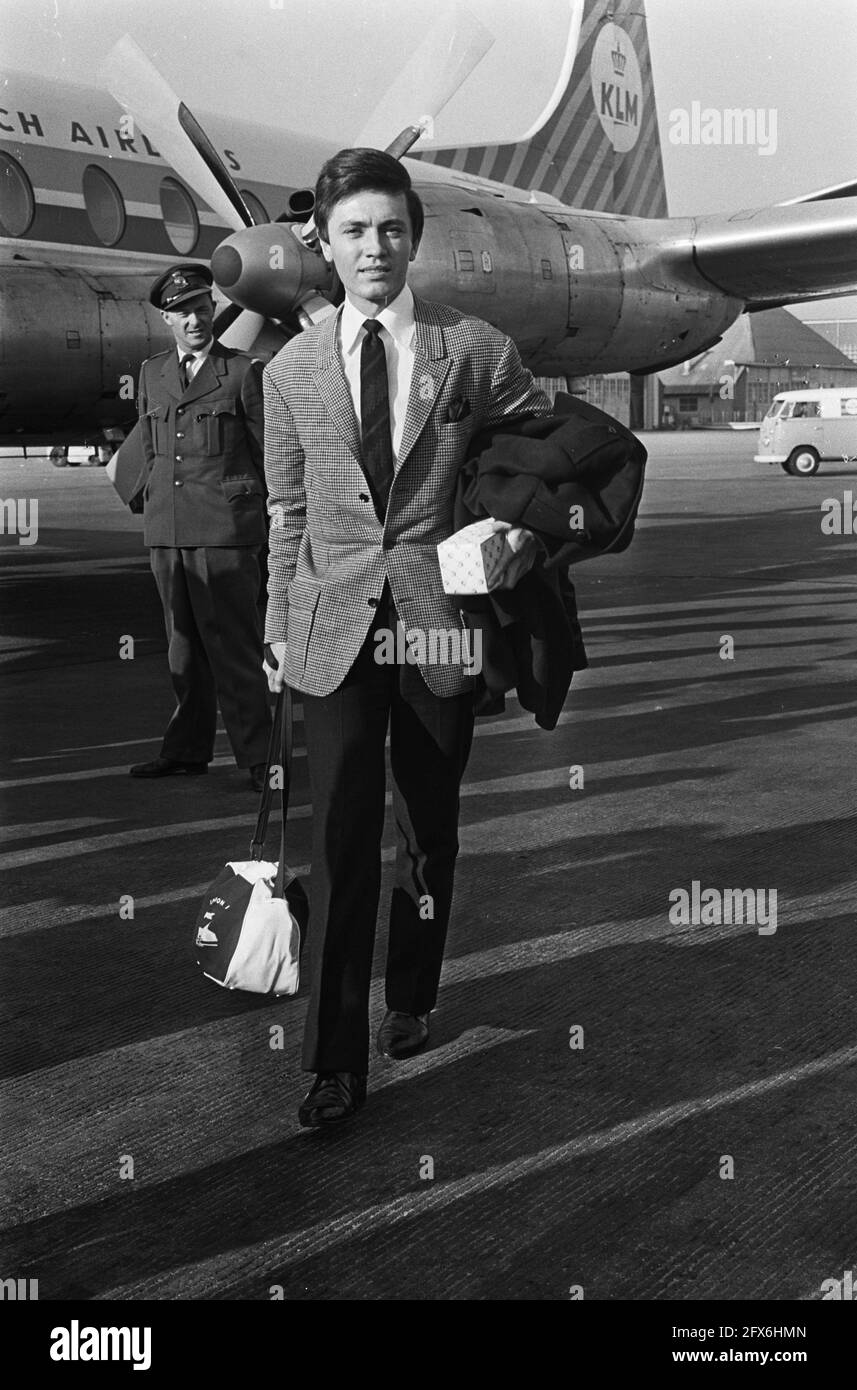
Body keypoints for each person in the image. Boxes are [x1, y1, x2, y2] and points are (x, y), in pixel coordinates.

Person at [263, 149, 551, 1127]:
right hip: (332, 628)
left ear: (413, 237)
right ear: (326, 243)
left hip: (436, 623)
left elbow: (538, 449)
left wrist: (516, 527)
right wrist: (274, 625)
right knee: (339, 844)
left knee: (425, 831)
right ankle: (334, 1062)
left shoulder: (472, 347)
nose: (373, 247)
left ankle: (413, 994)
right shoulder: (290, 369)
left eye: (390, 228)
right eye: (353, 230)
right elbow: (286, 512)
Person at [129, 263, 272, 792]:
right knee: (181, 647)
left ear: (214, 310)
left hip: (225, 529)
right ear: (166, 318)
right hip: (166, 528)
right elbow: (148, 446)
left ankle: (259, 758)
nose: (194, 319)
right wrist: (148, 499)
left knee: (233, 646)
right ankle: (187, 750)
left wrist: (271, 519)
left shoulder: (242, 372)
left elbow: (268, 455)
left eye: (202, 308)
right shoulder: (152, 373)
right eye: (182, 312)